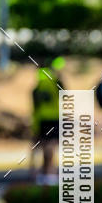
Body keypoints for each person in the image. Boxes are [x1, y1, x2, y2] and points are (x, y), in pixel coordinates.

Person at [31, 56, 66, 184]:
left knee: (42, 145)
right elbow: (64, 92)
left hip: (41, 118)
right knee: (51, 145)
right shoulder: (54, 79)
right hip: (53, 117)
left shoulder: (39, 81)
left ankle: (41, 172)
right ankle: (50, 172)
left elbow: (35, 101)